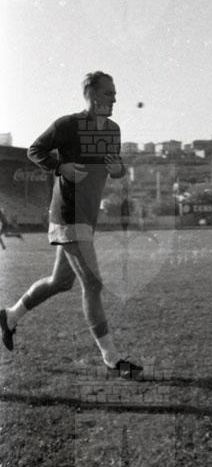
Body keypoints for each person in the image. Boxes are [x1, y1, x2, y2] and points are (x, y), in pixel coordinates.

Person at [0, 71, 142, 379]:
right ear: (91, 94)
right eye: (108, 93)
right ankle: (112, 360)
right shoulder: (67, 125)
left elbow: (117, 169)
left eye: (115, 93)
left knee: (60, 282)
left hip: (87, 218)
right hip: (68, 214)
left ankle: (9, 316)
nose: (114, 99)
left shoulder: (113, 130)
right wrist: (60, 166)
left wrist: (119, 168)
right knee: (93, 284)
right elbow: (35, 151)